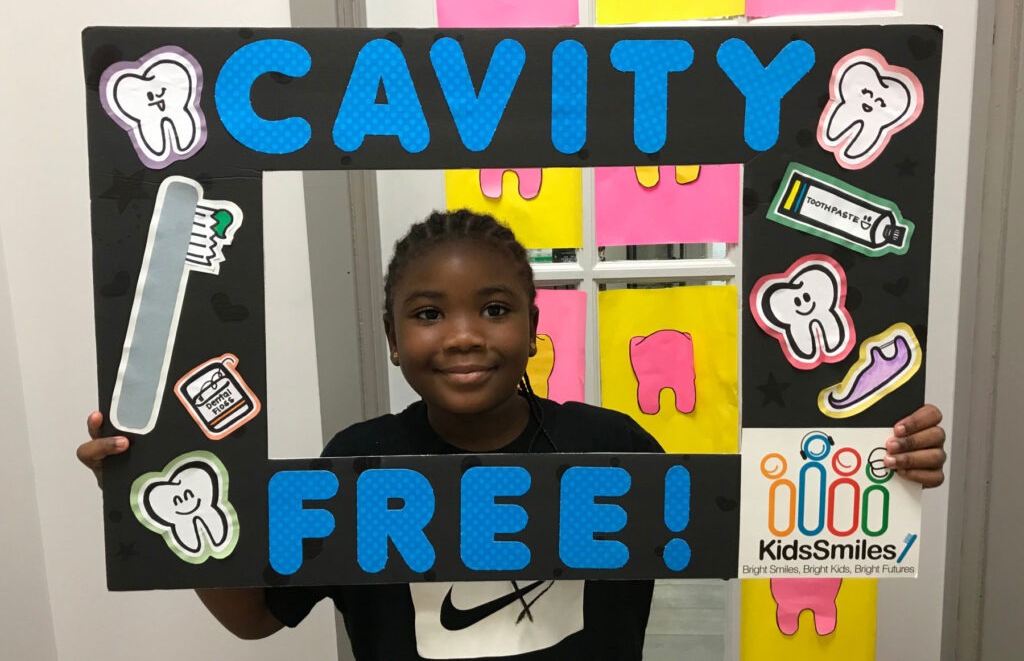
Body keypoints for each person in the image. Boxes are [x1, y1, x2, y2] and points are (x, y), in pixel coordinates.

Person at [77, 209, 948, 660]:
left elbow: (784, 525)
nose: (461, 334)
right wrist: (161, 505)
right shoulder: (352, 462)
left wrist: (881, 468)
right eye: (427, 314)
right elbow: (257, 618)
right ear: (392, 338)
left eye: (493, 309)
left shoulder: (616, 447)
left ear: (534, 328)